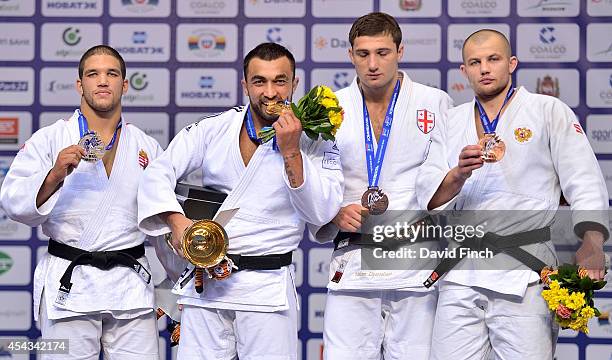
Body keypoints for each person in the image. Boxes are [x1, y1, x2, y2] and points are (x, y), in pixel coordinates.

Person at [137, 42, 344, 360]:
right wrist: (176, 222)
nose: (271, 92)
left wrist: (291, 152)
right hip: (207, 284)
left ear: (294, 83)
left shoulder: (312, 138)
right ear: (245, 84)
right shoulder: (213, 129)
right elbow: (156, 174)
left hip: (267, 288)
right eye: (259, 81)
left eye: (280, 81)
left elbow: (322, 211)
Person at [417, 29, 609, 359]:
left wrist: (592, 243)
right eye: (474, 62)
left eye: (493, 59)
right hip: (462, 273)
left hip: (525, 272)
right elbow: (428, 197)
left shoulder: (547, 110)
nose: (484, 68)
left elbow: (585, 180)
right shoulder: (449, 121)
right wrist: (458, 174)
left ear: (512, 64)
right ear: (464, 71)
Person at [0, 45, 162, 359]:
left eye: (111, 74)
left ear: (124, 85)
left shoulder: (146, 145)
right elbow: (12, 203)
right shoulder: (49, 139)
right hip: (70, 286)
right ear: (80, 85)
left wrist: (176, 288)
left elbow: (164, 218)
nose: (103, 81)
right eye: (93, 74)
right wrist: (54, 174)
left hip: (130, 286)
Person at [317, 12, 454, 360]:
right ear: (350, 56)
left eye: (383, 52)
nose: (373, 63)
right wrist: (331, 212)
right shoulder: (329, 107)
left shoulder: (434, 102)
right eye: (363, 54)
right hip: (353, 260)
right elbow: (316, 179)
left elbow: (449, 178)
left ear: (400, 51)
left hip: (415, 260)